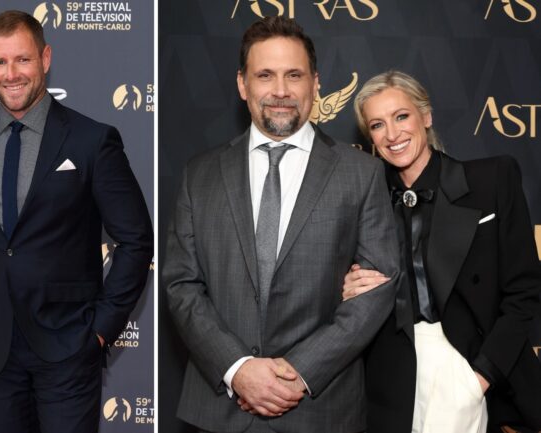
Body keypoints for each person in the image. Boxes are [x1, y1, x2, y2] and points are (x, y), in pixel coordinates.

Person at [163, 16, 400, 433]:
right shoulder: (199, 175)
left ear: (315, 83)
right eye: (264, 75)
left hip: (319, 407)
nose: (280, 91)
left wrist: (298, 371)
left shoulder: (360, 173)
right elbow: (181, 284)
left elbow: (376, 291)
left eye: (294, 75)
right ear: (242, 85)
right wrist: (237, 369)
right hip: (221, 410)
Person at [0, 10, 153, 433]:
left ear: (45, 58)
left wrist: (99, 331)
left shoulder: (91, 139)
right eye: (1, 62)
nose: (12, 74)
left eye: (22, 60)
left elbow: (135, 240)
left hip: (69, 345)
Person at [346, 70, 541, 433]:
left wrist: (480, 377)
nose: (392, 134)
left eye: (401, 116)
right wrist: (347, 290)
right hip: (390, 375)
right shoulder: (364, 203)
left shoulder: (491, 180)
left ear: (426, 116)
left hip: (467, 363)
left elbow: (524, 291)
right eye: (377, 124)